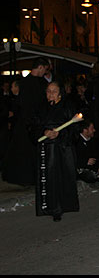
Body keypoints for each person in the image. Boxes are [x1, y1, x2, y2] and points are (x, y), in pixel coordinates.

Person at [34, 81, 81, 222]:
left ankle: (62, 206)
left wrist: (60, 134)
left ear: (60, 93)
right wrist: (44, 131)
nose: (51, 94)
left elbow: (75, 130)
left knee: (62, 177)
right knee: (49, 178)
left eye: (54, 91)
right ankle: (51, 207)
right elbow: (32, 125)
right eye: (48, 91)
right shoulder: (41, 107)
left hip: (62, 148)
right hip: (46, 148)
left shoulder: (67, 107)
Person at [1, 57, 48, 186]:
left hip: (27, 121)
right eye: (44, 69)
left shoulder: (27, 82)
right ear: (40, 67)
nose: (45, 72)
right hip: (30, 122)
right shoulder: (33, 83)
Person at [74, 119, 99, 186]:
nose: (94, 130)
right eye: (92, 129)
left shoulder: (93, 141)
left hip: (93, 168)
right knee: (89, 175)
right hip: (81, 169)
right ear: (85, 130)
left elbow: (98, 156)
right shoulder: (76, 141)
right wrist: (86, 161)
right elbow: (73, 159)